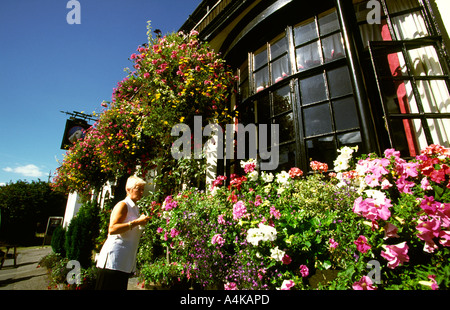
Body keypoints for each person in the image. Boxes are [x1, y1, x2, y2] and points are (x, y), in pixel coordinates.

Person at [95, 176, 151, 290]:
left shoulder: (135, 208)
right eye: (138, 189)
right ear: (129, 189)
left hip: (123, 261)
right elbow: (112, 229)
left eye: (142, 190)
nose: (141, 192)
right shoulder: (123, 205)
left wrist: (141, 223)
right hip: (114, 261)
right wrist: (136, 222)